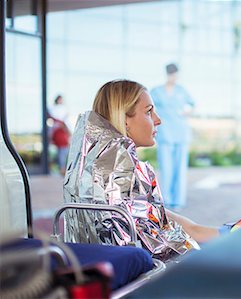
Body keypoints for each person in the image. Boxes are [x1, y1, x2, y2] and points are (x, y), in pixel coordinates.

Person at [63, 79, 199, 260]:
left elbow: (156, 218)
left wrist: (213, 232)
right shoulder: (118, 172)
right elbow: (151, 248)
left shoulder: (97, 165)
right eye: (149, 112)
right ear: (125, 119)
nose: (158, 120)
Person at [150, 63, 195, 211]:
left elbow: (192, 104)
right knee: (166, 168)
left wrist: (185, 113)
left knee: (180, 168)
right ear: (167, 74)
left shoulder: (182, 91)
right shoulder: (156, 91)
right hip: (164, 134)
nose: (174, 77)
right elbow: (149, 107)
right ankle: (167, 200)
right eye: (172, 74)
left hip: (181, 133)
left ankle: (178, 201)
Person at [48, 95, 70, 176]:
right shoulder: (54, 110)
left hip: (62, 133)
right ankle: (61, 169)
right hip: (58, 134)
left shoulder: (63, 109)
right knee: (60, 153)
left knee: (63, 153)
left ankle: (62, 168)